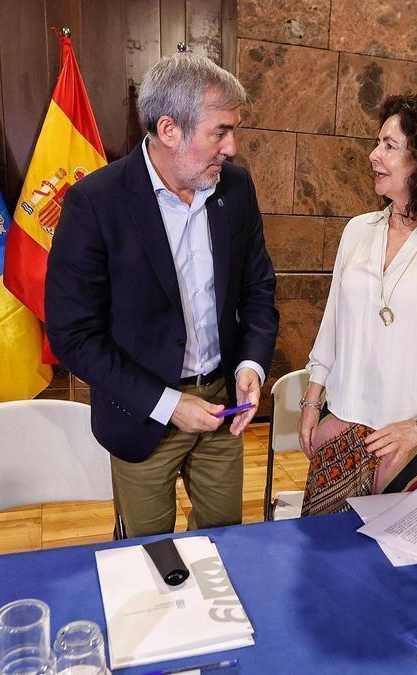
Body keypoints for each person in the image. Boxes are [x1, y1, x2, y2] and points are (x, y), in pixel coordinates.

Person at [45, 53, 278, 537]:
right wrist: (169, 404)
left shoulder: (235, 189)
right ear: (169, 129)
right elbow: (74, 336)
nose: (232, 147)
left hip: (222, 405)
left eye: (234, 130)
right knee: (148, 556)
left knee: (225, 542)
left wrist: (251, 366)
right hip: (141, 414)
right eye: (220, 132)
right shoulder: (95, 202)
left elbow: (258, 290)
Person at [297, 94, 417, 515]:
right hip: (344, 424)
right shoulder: (357, 231)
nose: (373, 155)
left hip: (415, 436)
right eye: (377, 142)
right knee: (321, 565)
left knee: (403, 572)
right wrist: (313, 400)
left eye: (389, 145)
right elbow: (332, 325)